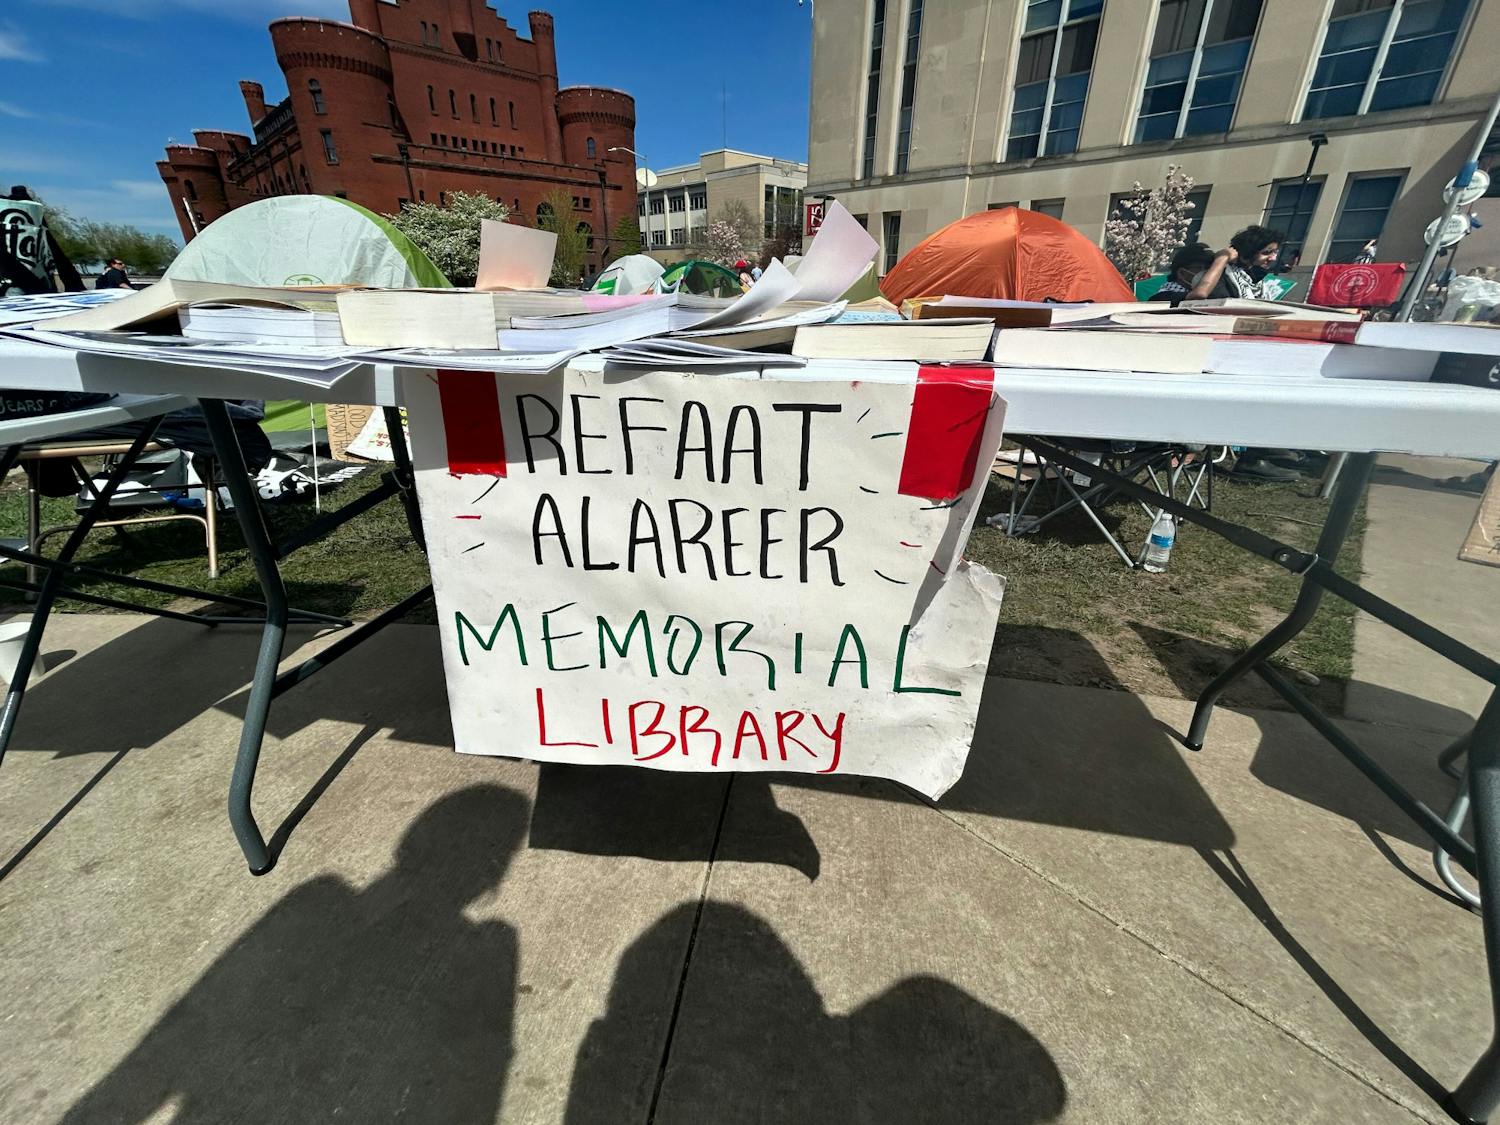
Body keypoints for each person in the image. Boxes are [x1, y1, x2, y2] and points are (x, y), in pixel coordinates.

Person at [1185, 225, 1286, 302]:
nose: (1273, 258)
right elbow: (1200, 294)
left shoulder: (1259, 283)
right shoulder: (1223, 278)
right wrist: (1223, 257)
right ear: (1247, 254)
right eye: (1267, 253)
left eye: (1275, 252)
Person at [1150, 242, 1216, 307]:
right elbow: (1199, 294)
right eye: (1199, 268)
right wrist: (1221, 259)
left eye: (1207, 268)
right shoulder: (1162, 297)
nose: (1206, 273)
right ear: (1181, 273)